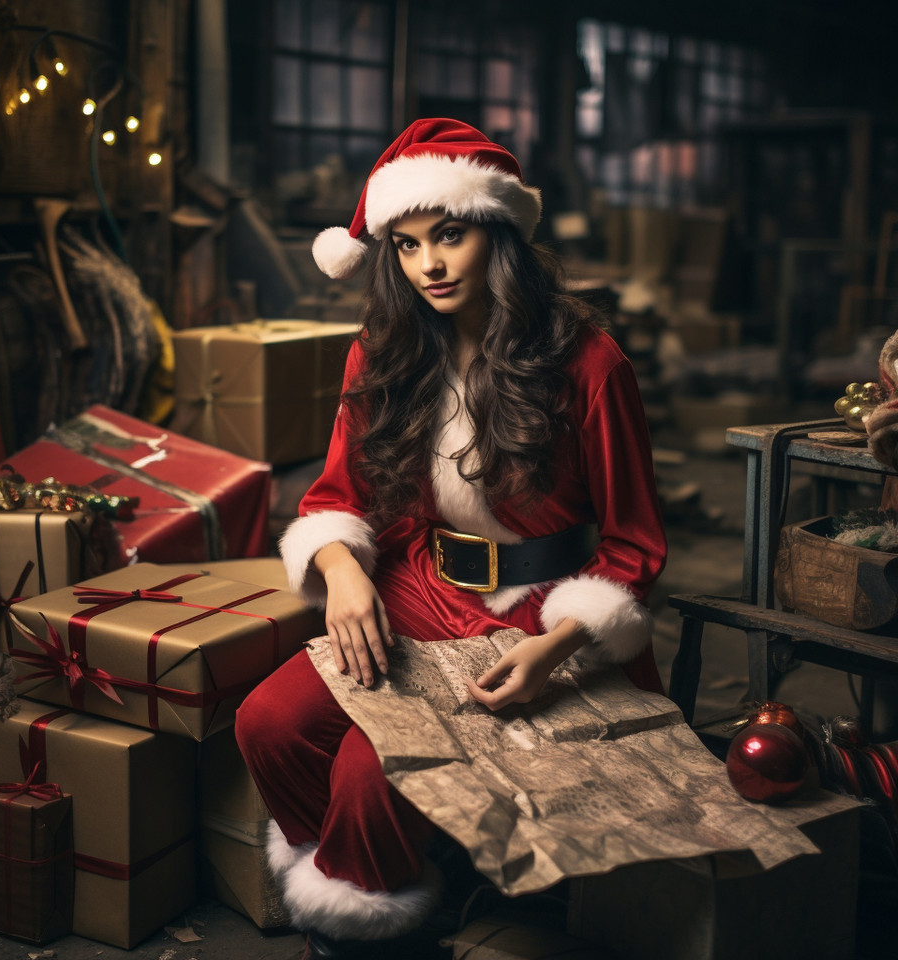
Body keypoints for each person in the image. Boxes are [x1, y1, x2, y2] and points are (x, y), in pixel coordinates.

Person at [235, 118, 667, 959]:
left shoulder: (591, 362)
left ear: (496, 233)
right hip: (418, 585)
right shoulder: (384, 354)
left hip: (536, 610)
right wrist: (341, 568)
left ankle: (367, 932)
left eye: (450, 235)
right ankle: (396, 875)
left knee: (372, 772)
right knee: (268, 724)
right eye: (404, 245)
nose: (428, 264)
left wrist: (558, 647)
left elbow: (634, 544)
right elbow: (335, 494)